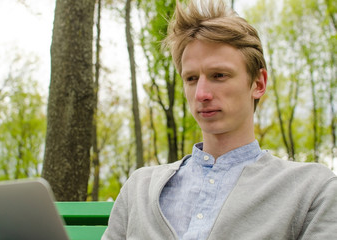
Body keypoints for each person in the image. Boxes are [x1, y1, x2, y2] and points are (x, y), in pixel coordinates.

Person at [102, 0, 337, 239]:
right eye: (191, 79)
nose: (201, 94)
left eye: (219, 75)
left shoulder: (311, 188)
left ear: (258, 83)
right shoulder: (139, 188)